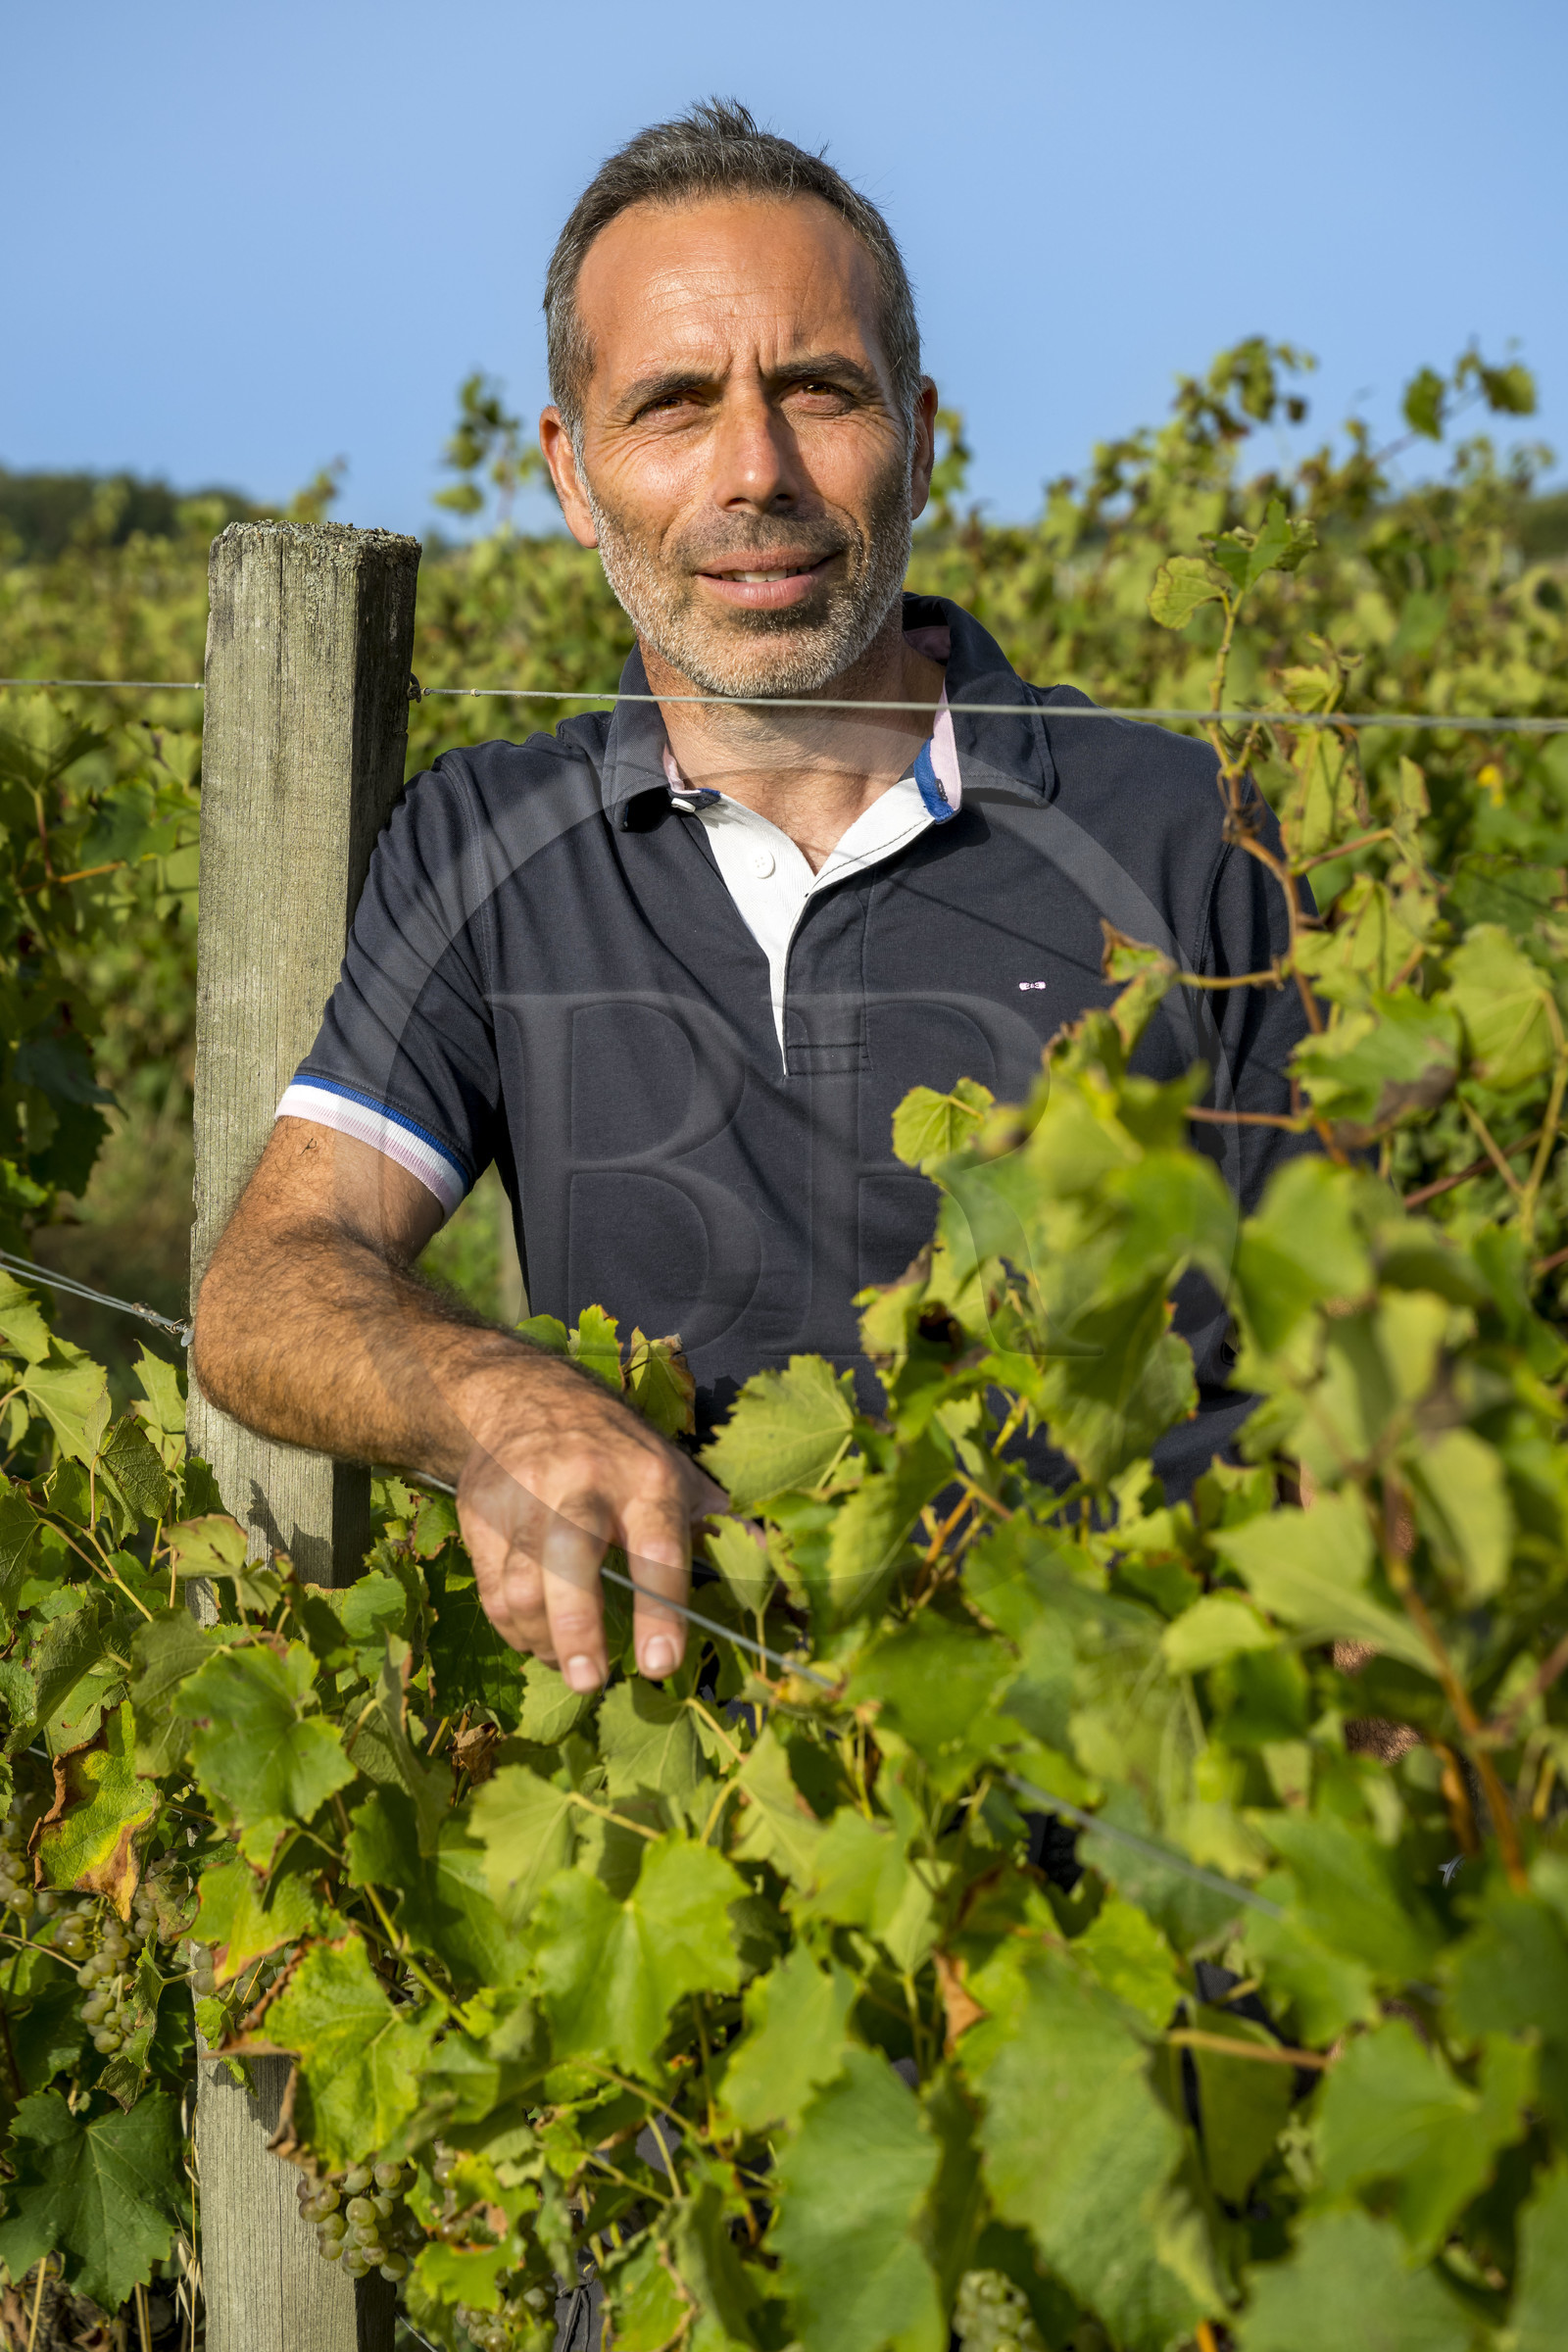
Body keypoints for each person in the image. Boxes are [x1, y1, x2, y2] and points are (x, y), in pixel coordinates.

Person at [192, 99, 1309, 1696]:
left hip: (1146, 1803)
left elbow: (1360, 1367)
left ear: (919, 430)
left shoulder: (1191, 835)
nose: (756, 471)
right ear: (572, 475)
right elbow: (267, 1288)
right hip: (700, 1791)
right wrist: (501, 1399)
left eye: (819, 391)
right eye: (673, 405)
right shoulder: (492, 846)